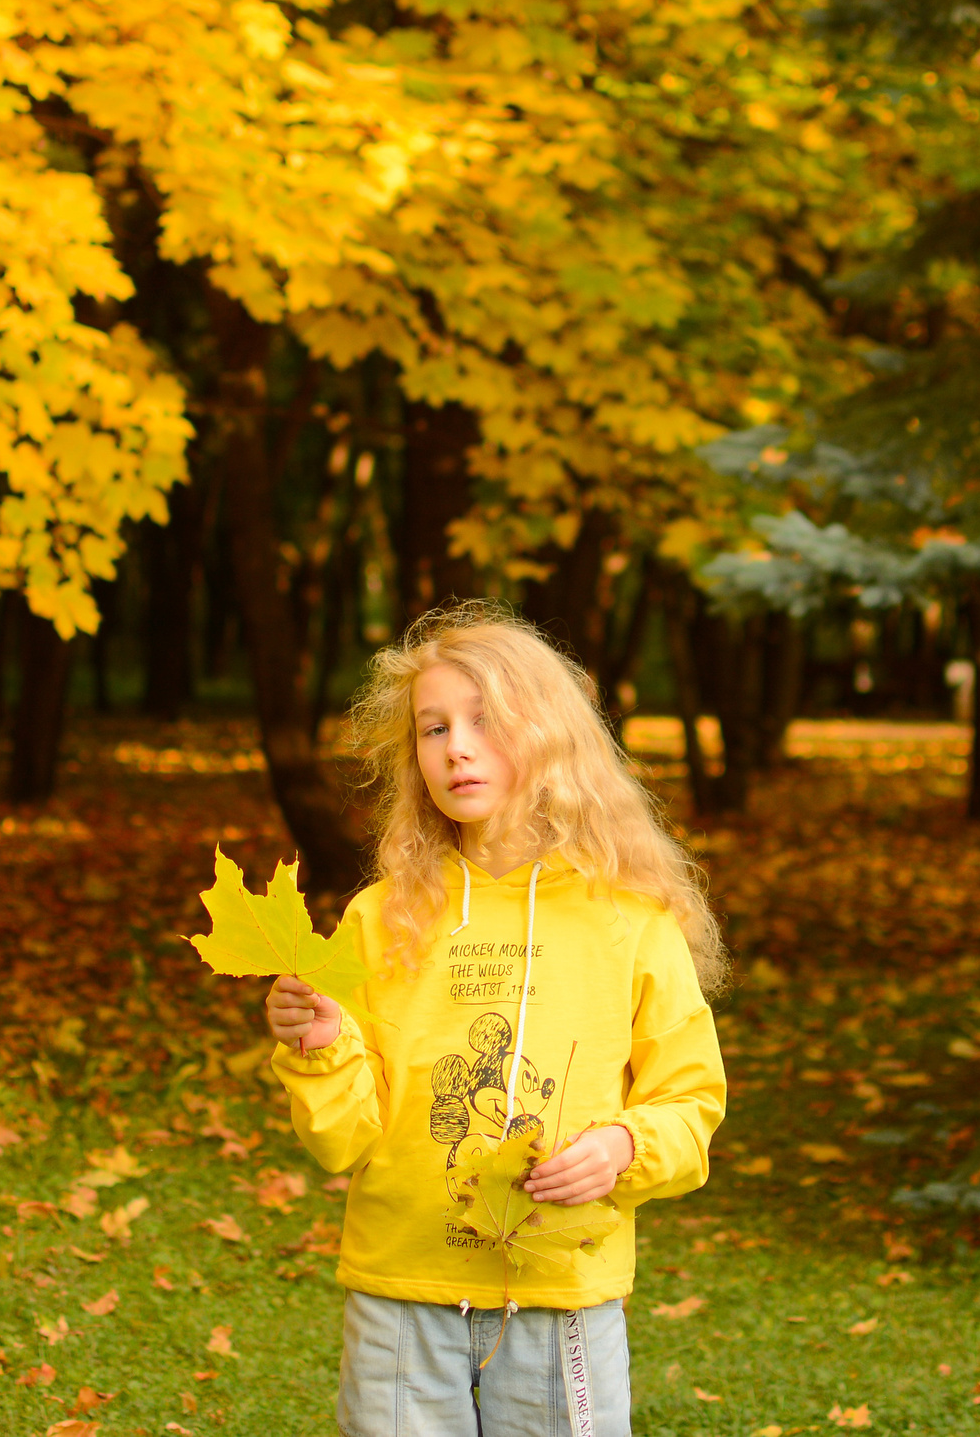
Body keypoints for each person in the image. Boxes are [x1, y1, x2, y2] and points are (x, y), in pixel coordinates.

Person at [263, 601, 727, 1437]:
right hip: (403, 1286)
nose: (457, 747)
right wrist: (321, 1043)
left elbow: (691, 1105)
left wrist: (623, 1147)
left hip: (560, 1287)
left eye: (484, 721)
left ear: (549, 733)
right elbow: (341, 1138)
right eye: (432, 728)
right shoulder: (380, 916)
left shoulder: (631, 918)